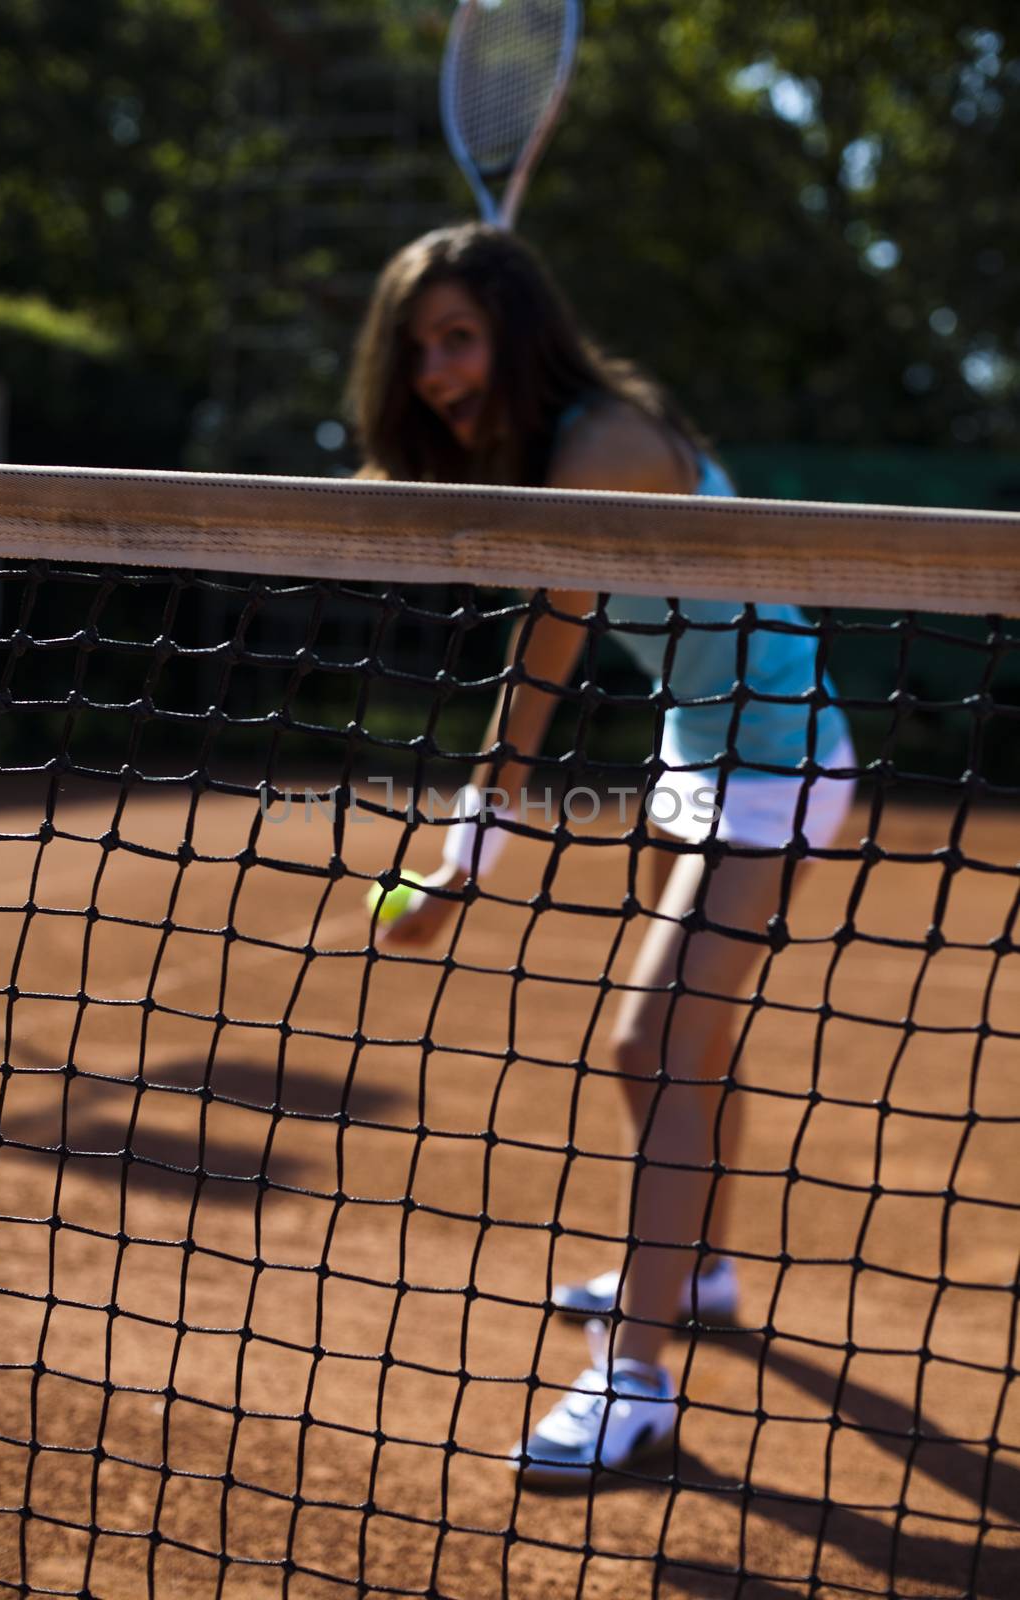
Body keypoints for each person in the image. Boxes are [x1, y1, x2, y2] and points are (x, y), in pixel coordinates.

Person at [347, 223, 856, 1485]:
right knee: (698, 1037)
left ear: (516, 333)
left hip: (783, 757)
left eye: (459, 336)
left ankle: (631, 1380)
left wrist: (472, 846)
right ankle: (705, 1267)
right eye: (418, 348)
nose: (435, 370)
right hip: (700, 751)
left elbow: (553, 630)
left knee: (652, 1040)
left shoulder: (608, 443)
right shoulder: (544, 448)